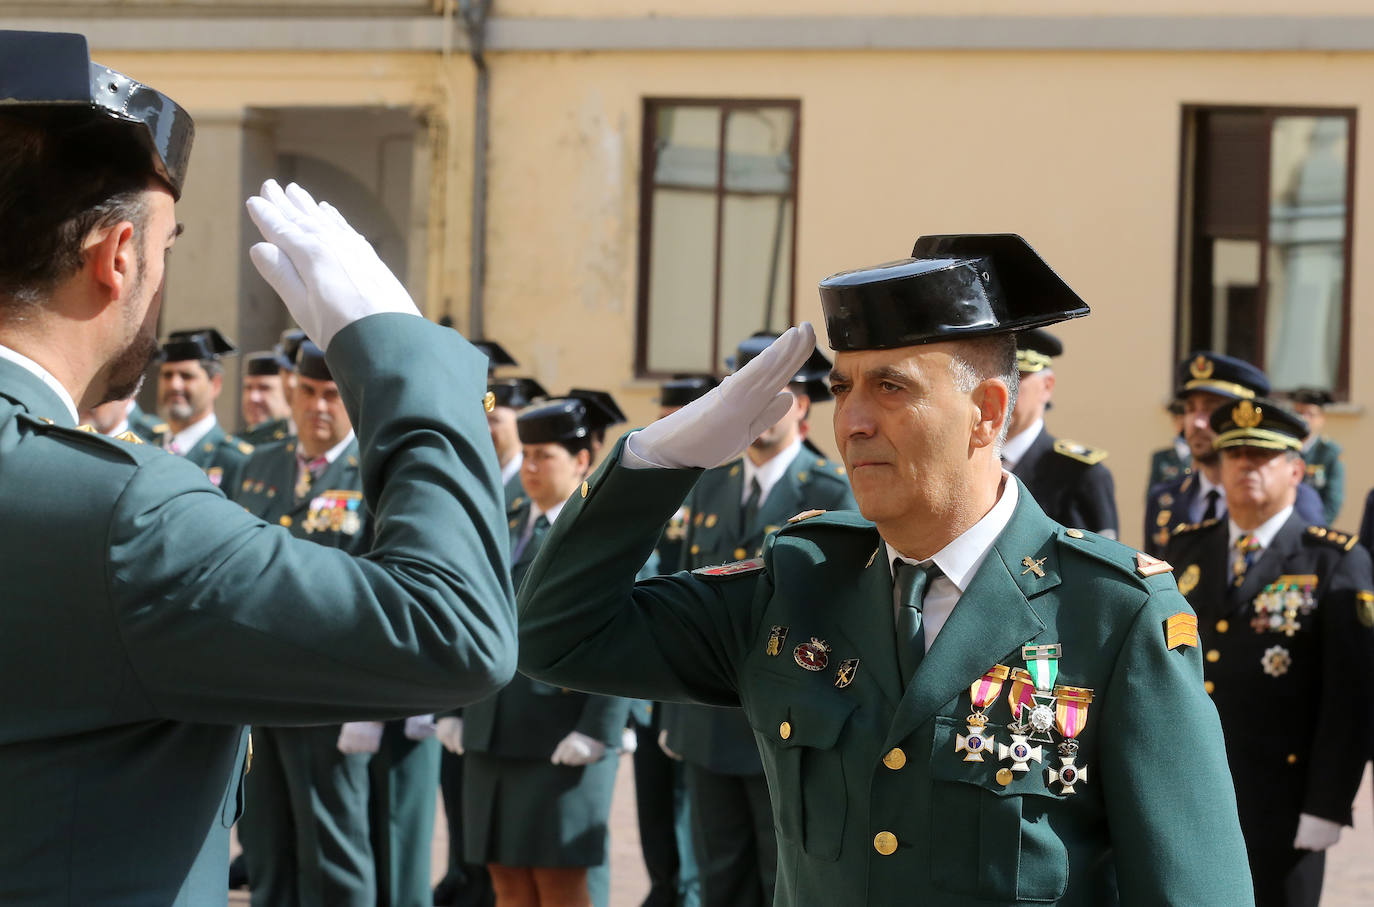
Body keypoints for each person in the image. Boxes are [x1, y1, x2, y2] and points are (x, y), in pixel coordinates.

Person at [516, 233, 1254, 905]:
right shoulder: (797, 583)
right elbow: (552, 634)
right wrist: (657, 460)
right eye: (842, 387)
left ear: (987, 412)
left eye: (891, 387)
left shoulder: (1112, 614)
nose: (853, 420)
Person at [0, 31, 516, 905]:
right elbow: (455, 628)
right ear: (117, 256)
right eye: (167, 248)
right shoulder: (121, 514)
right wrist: (399, 352)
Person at [658, 332, 854, 907]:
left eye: (779, 392)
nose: (762, 409)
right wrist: (676, 711)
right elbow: (688, 601)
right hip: (709, 722)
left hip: (790, 724)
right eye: (748, 393)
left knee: (783, 876)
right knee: (718, 875)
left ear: (805, 405)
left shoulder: (829, 491)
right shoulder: (709, 483)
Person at [1163, 397, 1373, 907]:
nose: (1245, 467)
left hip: (1284, 798)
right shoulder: (1185, 550)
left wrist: (1328, 805)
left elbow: (1351, 697)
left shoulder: (1333, 560)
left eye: (1262, 456)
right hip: (1194, 790)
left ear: (1297, 469)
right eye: (1234, 455)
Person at [461, 395, 633, 907]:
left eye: (546, 456)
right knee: (506, 876)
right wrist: (456, 705)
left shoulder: (601, 530)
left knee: (558, 881)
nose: (530, 468)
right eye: (527, 454)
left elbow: (626, 637)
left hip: (562, 729)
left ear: (582, 461)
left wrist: (598, 727)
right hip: (493, 727)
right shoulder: (506, 516)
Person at [232, 340, 376, 906]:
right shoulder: (257, 464)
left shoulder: (369, 472)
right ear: (292, 391)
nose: (319, 406)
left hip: (327, 695)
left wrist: (366, 703)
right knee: (265, 843)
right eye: (309, 392)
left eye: (332, 396)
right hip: (258, 690)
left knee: (333, 849)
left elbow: (375, 592)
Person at [1144, 353, 1324, 556]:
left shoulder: (1295, 501)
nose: (1196, 422)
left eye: (1211, 408)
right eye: (1190, 409)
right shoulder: (1165, 499)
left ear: (1244, 417)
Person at [1003, 328, 1118, 537]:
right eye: (996, 377)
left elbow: (1098, 565)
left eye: (1016, 378)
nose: (1002, 390)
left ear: (1047, 386)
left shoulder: (1081, 474)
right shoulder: (970, 464)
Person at [156, 326, 254, 489]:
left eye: (187, 376)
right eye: (167, 375)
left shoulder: (237, 460)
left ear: (215, 384)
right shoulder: (146, 445)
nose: (174, 385)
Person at [1288, 388, 1345, 524]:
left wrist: (1317, 530)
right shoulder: (1282, 449)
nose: (1303, 418)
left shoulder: (1329, 452)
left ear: (1321, 419)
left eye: (1310, 414)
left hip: (1313, 527)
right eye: (1299, 413)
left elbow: (1333, 502)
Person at [239, 348, 293, 444]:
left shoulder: (299, 447)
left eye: (264, 388)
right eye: (248, 388)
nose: (253, 397)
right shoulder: (236, 446)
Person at [1147, 398, 1190, 488]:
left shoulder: (1202, 455)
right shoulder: (1161, 457)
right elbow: (1152, 495)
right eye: (1176, 418)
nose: (1181, 422)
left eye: (1183, 417)